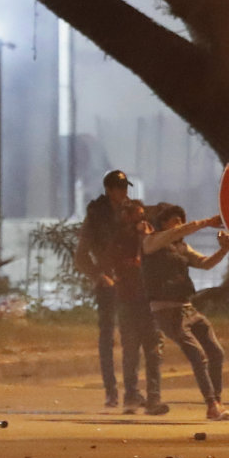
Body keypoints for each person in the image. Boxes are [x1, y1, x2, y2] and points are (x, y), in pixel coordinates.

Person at [142, 204, 229, 421]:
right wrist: (207, 222)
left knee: (216, 352)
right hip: (166, 310)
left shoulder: (181, 247)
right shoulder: (151, 242)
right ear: (162, 223)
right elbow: (180, 231)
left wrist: (224, 250)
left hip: (187, 308)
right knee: (197, 355)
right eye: (174, 220)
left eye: (181, 219)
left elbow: (204, 263)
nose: (179, 224)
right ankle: (211, 405)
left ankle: (217, 403)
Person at [75, 169, 134, 407]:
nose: (123, 192)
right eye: (119, 188)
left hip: (131, 281)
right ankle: (111, 390)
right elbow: (81, 255)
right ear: (109, 190)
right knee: (108, 337)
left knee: (132, 336)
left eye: (125, 187)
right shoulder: (96, 215)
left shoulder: (133, 211)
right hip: (107, 281)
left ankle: (132, 391)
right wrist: (99, 276)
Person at [115, 200, 170, 416]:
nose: (140, 221)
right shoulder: (121, 239)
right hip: (129, 300)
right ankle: (131, 395)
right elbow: (117, 263)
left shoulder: (152, 238)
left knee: (153, 351)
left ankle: (153, 398)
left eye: (142, 216)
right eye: (136, 216)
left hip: (149, 302)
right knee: (131, 350)